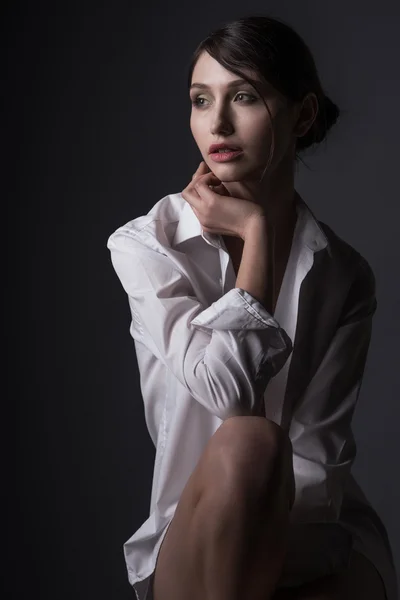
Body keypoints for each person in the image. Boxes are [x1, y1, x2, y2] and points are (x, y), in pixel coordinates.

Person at [107, 14, 398, 600]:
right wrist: (257, 233)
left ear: (304, 116)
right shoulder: (145, 245)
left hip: (311, 535)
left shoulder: (344, 277)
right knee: (251, 442)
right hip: (192, 542)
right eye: (199, 99)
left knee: (363, 573)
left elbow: (316, 466)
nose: (216, 123)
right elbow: (228, 392)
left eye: (243, 96)